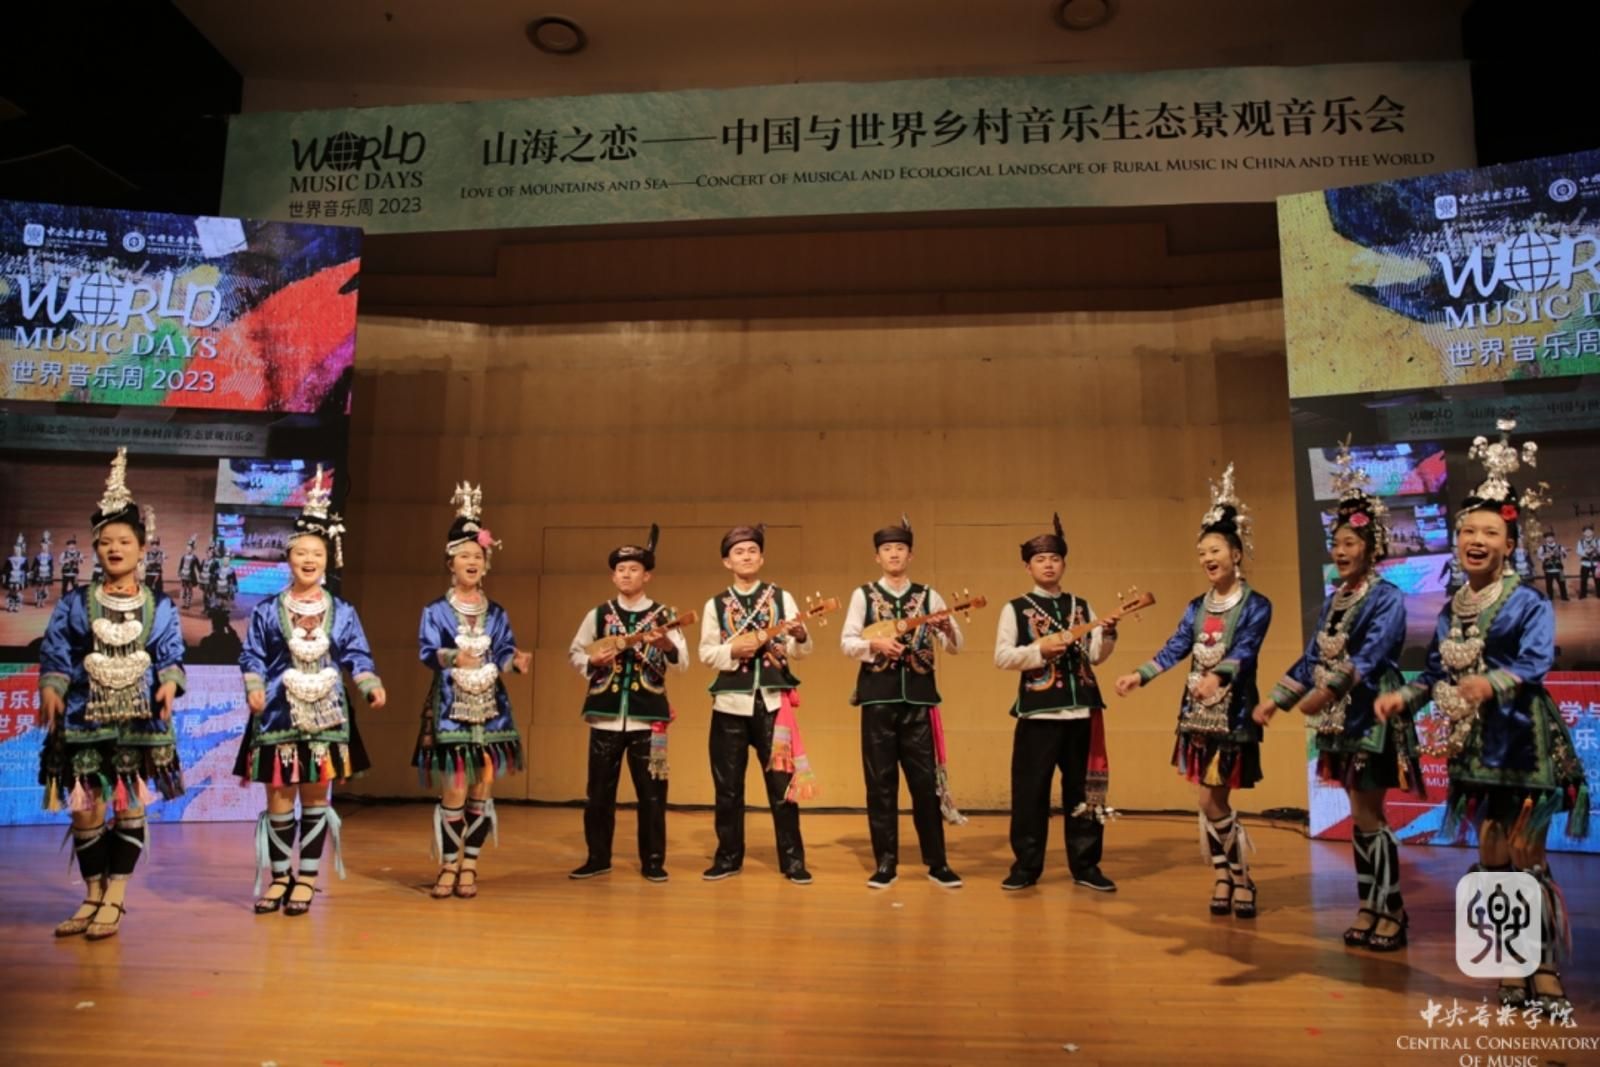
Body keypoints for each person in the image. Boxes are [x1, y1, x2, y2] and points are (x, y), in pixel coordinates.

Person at [1376, 420, 1588, 1015]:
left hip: (1523, 746)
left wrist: (1488, 683)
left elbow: (1536, 661)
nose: (1475, 539)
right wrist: (1406, 698)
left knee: (1526, 853)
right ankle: (1511, 960)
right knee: (1492, 854)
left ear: (1509, 543)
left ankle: (1543, 966)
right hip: (1474, 750)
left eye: (1489, 531)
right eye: (1468, 530)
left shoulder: (1528, 600)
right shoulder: (1452, 608)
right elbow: (1435, 673)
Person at [1254, 440, 1420, 951]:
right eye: (1336, 542)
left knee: (1369, 813)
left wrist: (1328, 690)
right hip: (1339, 720)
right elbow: (1311, 658)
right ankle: (1369, 905)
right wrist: (1276, 699)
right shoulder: (1334, 602)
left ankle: (1392, 909)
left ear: (1372, 547)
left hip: (1371, 715)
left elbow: (1373, 653)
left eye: (1350, 542)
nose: (1341, 551)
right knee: (1358, 814)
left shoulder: (1387, 598)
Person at [38, 448, 185, 941]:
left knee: (128, 805)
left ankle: (116, 894)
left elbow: (171, 652)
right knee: (85, 807)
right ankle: (92, 892)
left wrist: (170, 683)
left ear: (142, 549)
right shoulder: (75, 603)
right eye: (105, 543)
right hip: (83, 718)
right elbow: (57, 651)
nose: (114, 549)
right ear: (95, 550)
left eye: (124, 541)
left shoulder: (159, 605)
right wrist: (53, 688)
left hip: (140, 722)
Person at [1114, 464, 1273, 919]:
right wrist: (1140, 675)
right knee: (1208, 799)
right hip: (1196, 716)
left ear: (1236, 554)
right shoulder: (1195, 607)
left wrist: (1217, 677)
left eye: (1215, 550)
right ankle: (1224, 877)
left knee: (1211, 799)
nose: (1207, 558)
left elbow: (1245, 650)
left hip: (1232, 715)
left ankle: (1241, 877)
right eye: (1202, 552)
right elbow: (1175, 647)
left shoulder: (1257, 605)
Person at [236, 465, 386, 916]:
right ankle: (279, 877)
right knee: (279, 796)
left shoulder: (343, 611)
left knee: (316, 797)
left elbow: (357, 654)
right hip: (278, 715)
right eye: (301, 552)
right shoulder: (268, 610)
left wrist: (370, 684)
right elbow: (252, 654)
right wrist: (254, 686)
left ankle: (306, 879)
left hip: (326, 715)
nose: (308, 560)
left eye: (316, 553)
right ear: (288, 558)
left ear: (327, 559)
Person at [415, 484, 530, 899]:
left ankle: (470, 865)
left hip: (491, 711)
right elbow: (427, 651)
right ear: (451, 562)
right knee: (455, 788)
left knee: (482, 789)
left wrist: (514, 661)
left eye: (478, 556)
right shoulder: (435, 611)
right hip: (451, 711)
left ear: (486, 563)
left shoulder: (496, 612)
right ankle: (448, 864)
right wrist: (453, 657)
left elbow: (503, 650)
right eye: (464, 555)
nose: (472, 562)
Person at [839, 515, 965, 889]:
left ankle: (937, 862)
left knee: (925, 784)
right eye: (887, 549)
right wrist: (874, 644)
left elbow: (956, 646)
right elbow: (847, 642)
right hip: (878, 699)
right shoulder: (863, 595)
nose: (893, 554)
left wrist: (947, 627)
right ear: (877, 557)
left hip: (919, 700)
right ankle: (885, 863)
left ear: (910, 555)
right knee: (880, 784)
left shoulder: (928, 596)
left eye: (900, 549)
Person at [994, 513, 1117, 892]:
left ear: (1064, 563)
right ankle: (1026, 866)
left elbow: (1095, 656)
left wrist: (1109, 635)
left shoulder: (1082, 605)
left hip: (1082, 712)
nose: (1048, 564)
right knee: (1031, 792)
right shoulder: (1015, 608)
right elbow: (1002, 656)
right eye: (1040, 559)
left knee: (1085, 792)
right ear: (1027, 566)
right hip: (1038, 713)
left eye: (1055, 558)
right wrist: (1039, 651)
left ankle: (1086, 865)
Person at [698, 523, 817, 884]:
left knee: (782, 786)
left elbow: (801, 650)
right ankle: (728, 858)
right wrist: (733, 650)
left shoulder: (781, 598)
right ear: (727, 562)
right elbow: (706, 652)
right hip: (729, 706)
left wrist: (801, 635)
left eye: (752, 551)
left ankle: (793, 861)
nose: (746, 557)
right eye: (739, 552)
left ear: (762, 558)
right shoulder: (715, 604)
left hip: (773, 706)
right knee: (728, 788)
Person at [566, 524, 685, 882]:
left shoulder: (665, 615)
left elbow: (683, 663)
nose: (627, 574)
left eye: (634, 569)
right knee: (598, 794)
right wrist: (592, 660)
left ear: (647, 575)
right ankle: (597, 857)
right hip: (604, 716)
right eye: (621, 569)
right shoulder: (598, 614)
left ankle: (653, 860)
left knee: (652, 794)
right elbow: (575, 653)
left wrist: (667, 646)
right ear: (613, 576)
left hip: (650, 719)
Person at [1537, 530, 1568, 602]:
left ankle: (1564, 596)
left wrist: (1562, 553)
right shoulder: (1542, 547)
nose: (1549, 539)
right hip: (1548, 569)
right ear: (1545, 539)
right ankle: (1550, 597)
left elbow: (1565, 555)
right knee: (1549, 584)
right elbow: (1539, 556)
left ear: (1553, 538)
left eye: (1551, 537)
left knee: (1562, 583)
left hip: (1559, 569)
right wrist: (1545, 557)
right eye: (1547, 538)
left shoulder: (1559, 546)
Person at [177, 535, 201, 610]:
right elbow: (181, 565)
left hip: (190, 576)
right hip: (184, 575)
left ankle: (188, 603)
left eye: (190, 548)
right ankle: (184, 603)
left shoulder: (194, 558)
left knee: (190, 589)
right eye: (187, 547)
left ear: (192, 549)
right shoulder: (184, 557)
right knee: (184, 589)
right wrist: (179, 572)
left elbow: (198, 567)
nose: (188, 549)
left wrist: (201, 574)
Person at [31, 531, 53, 608]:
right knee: (39, 587)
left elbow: (51, 566)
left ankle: (43, 601)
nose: (44, 547)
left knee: (45, 588)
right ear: (41, 546)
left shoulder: (49, 557)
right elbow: (34, 565)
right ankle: (38, 601)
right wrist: (32, 571)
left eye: (46, 546)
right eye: (43, 546)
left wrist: (51, 573)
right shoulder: (38, 556)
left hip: (46, 573)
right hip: (39, 573)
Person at [1577, 523, 1598, 600]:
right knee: (1583, 579)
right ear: (1583, 533)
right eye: (1586, 531)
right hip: (1585, 563)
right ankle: (1583, 594)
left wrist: (1595, 550)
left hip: (1596, 563)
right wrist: (1586, 552)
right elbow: (1579, 551)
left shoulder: (1597, 541)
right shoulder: (1581, 541)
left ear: (1592, 532)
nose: (1588, 533)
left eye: (1590, 531)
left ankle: (1599, 593)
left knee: (1598, 579)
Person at [5, 535, 26, 613]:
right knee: (11, 590)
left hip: (19, 577)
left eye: (18, 550)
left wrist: (25, 578)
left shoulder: (23, 559)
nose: (16, 551)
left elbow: (25, 570)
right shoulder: (10, 559)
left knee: (17, 591)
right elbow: (6, 568)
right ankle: (10, 605)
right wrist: (5, 575)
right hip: (11, 577)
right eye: (15, 549)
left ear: (20, 550)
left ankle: (17, 605)